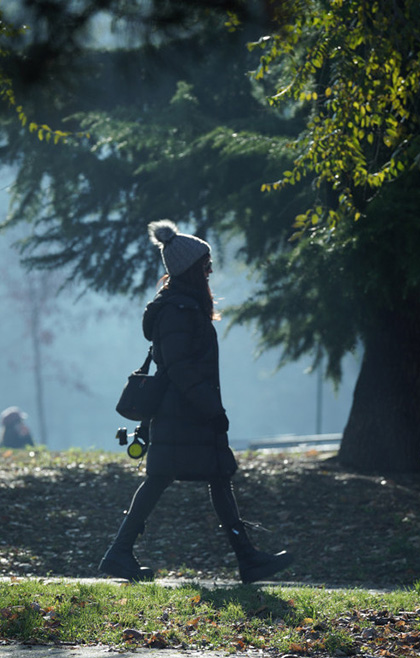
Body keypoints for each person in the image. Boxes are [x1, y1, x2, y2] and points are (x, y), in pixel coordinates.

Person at [99, 219, 294, 584]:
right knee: (170, 478)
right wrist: (211, 408)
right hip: (183, 412)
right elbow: (179, 367)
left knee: (210, 476)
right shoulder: (178, 310)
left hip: (185, 411)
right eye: (206, 265)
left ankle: (245, 557)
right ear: (190, 269)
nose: (210, 271)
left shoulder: (182, 307)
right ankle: (120, 552)